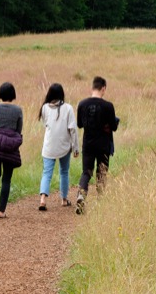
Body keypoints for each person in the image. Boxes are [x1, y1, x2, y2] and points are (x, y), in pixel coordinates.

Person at [76, 76, 117, 214]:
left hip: (88, 143)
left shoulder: (82, 104)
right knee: (102, 173)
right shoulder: (108, 106)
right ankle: (100, 203)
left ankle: (81, 195)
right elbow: (114, 126)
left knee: (86, 172)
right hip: (103, 144)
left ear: (92, 88)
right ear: (103, 88)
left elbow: (79, 124)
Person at [0, 82, 23, 218]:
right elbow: (19, 130)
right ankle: (1, 211)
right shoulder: (18, 110)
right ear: (13, 95)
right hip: (10, 149)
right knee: (6, 179)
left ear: (0, 93)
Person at [38, 83, 78, 211]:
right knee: (64, 172)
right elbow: (73, 129)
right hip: (64, 146)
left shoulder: (44, 108)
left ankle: (43, 199)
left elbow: (46, 124)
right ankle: (64, 199)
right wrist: (75, 147)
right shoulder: (68, 108)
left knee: (46, 172)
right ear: (62, 94)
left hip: (49, 146)